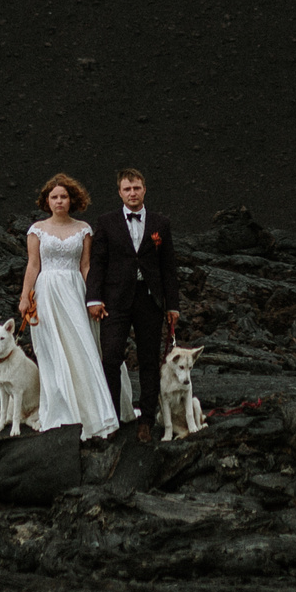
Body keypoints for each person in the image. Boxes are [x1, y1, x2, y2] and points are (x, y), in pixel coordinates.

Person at [15, 173, 128, 439]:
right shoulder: (37, 230)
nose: (59, 201)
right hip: (47, 293)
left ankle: (92, 411)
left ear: (72, 199)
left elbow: (86, 266)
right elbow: (33, 265)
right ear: (47, 201)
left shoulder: (84, 229)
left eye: (63, 196)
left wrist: (96, 296)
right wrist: (24, 296)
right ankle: (62, 410)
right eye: (54, 197)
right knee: (54, 351)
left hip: (76, 291)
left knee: (84, 346)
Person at [87, 167, 179, 441]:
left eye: (136, 188)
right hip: (114, 300)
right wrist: (93, 298)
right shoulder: (106, 221)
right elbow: (98, 263)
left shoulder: (160, 223)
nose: (132, 193)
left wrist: (172, 305)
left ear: (144, 189)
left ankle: (147, 420)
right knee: (111, 357)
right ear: (119, 192)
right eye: (127, 189)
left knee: (149, 360)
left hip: (149, 300)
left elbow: (168, 267)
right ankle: (112, 418)